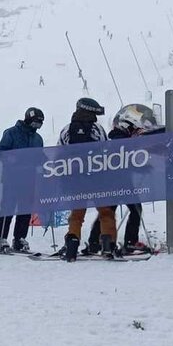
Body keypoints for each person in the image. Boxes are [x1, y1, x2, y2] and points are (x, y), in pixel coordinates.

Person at [84, 106, 157, 254]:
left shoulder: (117, 139)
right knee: (134, 210)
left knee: (108, 212)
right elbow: (124, 160)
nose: (138, 133)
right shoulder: (121, 140)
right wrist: (141, 167)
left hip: (113, 182)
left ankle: (94, 242)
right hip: (120, 182)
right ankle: (129, 241)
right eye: (136, 129)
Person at [60, 97, 116, 261]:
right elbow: (107, 150)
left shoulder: (66, 130)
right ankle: (107, 246)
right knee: (106, 213)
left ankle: (72, 247)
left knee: (76, 216)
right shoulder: (97, 129)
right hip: (98, 179)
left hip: (76, 180)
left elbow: (59, 153)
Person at [0, 107, 45, 253]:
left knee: (25, 209)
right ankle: (0, 238)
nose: (37, 127)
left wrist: (43, 161)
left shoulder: (37, 138)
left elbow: (41, 155)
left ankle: (19, 238)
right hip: (12, 177)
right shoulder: (11, 133)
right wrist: (13, 158)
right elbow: (1, 152)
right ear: (28, 120)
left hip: (29, 178)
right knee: (7, 207)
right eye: (35, 123)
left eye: (39, 125)